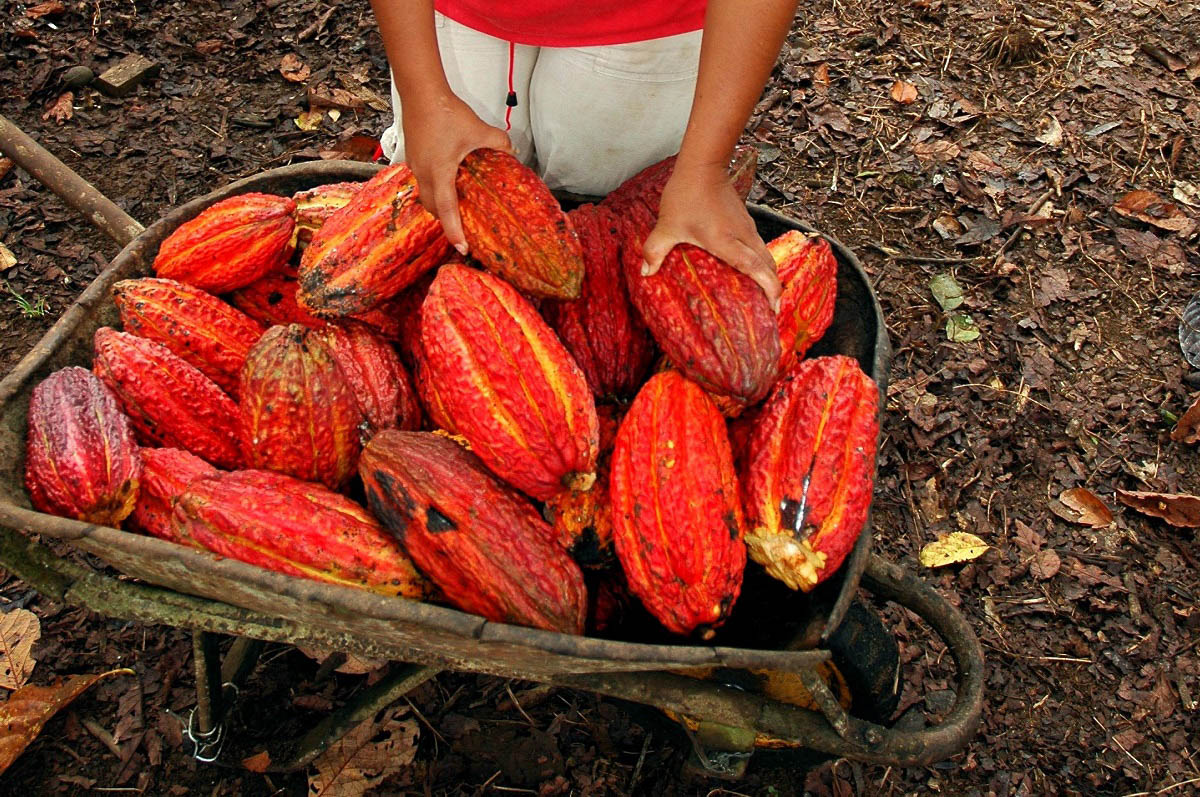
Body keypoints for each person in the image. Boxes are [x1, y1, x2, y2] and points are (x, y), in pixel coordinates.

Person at [369, 0, 798, 309]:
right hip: (452, 16)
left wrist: (704, 169)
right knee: (440, 211)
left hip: (648, 23)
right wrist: (425, 96)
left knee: (610, 236)